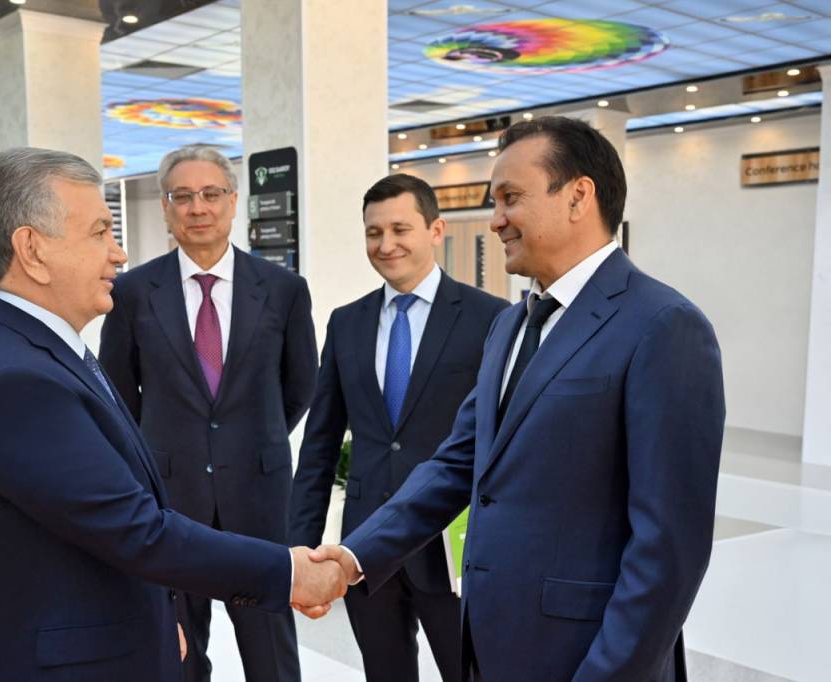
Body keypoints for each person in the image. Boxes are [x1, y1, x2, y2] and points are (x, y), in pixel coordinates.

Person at [310, 116, 725, 681]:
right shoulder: (510, 325)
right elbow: (457, 463)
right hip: (491, 643)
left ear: (578, 196)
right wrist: (353, 558)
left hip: (587, 657)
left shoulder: (663, 325)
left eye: (510, 198)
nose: (495, 219)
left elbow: (668, 550)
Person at [0, 147, 342, 681]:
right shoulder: (14, 382)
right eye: (100, 232)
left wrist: (154, 611)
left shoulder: (33, 353)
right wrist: (290, 572)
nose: (118, 254)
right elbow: (133, 529)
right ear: (32, 250)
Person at [99, 145, 318, 682]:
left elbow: (300, 387)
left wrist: (250, 443)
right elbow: (120, 396)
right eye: (182, 196)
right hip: (170, 499)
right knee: (178, 652)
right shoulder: (131, 292)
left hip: (259, 497)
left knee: (270, 652)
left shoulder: (284, 290)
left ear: (233, 201)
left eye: (211, 194)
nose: (198, 207)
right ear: (165, 208)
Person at [289, 173, 507, 682]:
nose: (386, 245)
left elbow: (505, 442)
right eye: (374, 232)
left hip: (455, 548)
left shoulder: (491, 318)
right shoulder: (347, 322)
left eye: (400, 229)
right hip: (366, 546)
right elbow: (320, 443)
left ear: (436, 230)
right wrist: (301, 550)